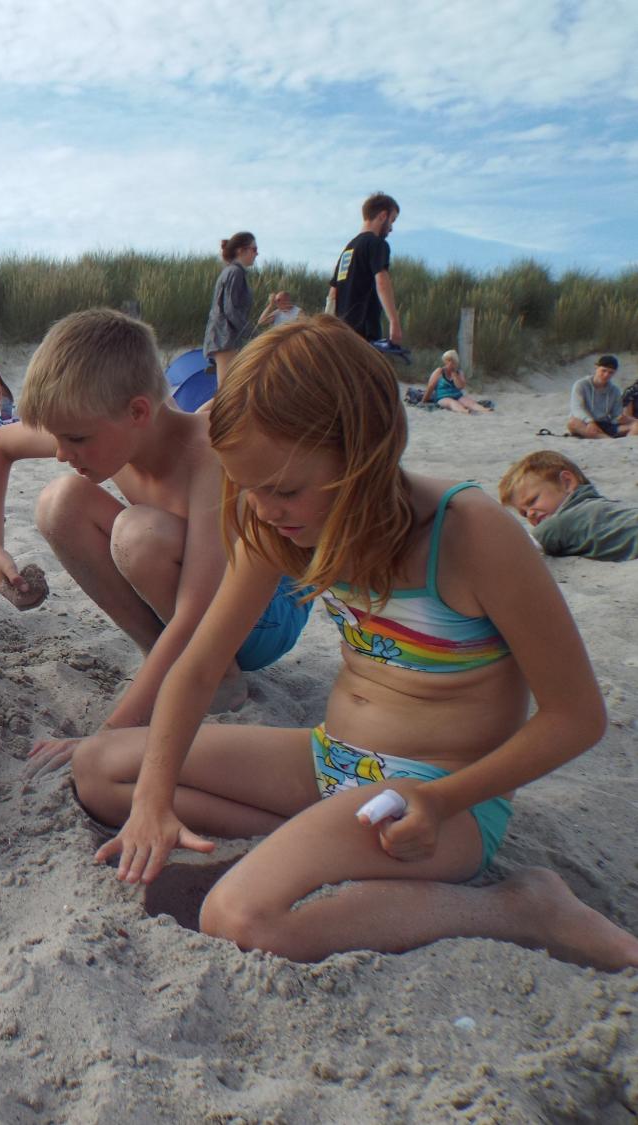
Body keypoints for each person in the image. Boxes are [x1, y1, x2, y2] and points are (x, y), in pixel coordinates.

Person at [68, 315, 638, 970]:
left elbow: (577, 717)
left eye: (283, 489)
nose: (262, 508)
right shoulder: (277, 522)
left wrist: (442, 799)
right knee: (101, 768)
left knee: (241, 916)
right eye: (245, 488)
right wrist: (152, 805)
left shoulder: (471, 535)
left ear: (364, 454)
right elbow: (198, 667)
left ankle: (520, 908)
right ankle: (317, 846)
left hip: (438, 797)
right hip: (330, 760)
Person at [0, 308, 309, 764]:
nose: (61, 453)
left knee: (139, 534)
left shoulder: (207, 452)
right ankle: (165, 660)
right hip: (190, 603)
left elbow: (195, 610)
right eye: (57, 438)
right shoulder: (104, 426)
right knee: (59, 502)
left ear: (138, 411)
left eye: (74, 440)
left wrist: (109, 735)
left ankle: (218, 677)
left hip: (261, 615)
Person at [499, 450, 638, 562]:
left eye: (532, 501)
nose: (530, 514)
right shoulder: (598, 508)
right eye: (524, 513)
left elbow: (517, 552)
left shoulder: (561, 522)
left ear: (567, 482)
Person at [328, 192, 402, 345]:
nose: (391, 228)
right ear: (383, 216)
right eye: (392, 220)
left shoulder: (348, 250)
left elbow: (333, 293)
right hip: (363, 333)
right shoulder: (377, 244)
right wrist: (394, 322)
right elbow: (381, 281)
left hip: (340, 333)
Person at [202, 232, 258, 388]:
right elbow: (230, 309)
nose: (257, 254)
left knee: (228, 389)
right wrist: (252, 333)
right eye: (254, 249)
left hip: (226, 337)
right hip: (224, 337)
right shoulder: (235, 272)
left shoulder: (233, 271)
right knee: (227, 390)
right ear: (241, 250)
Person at [567, 355, 635, 438]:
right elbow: (577, 408)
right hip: (585, 422)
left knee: (636, 426)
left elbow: (616, 415)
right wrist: (590, 421)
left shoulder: (615, 390)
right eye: (603, 370)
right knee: (572, 422)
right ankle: (606, 439)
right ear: (596, 367)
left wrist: (622, 418)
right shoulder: (581, 385)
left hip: (605, 424)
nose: (606, 375)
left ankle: (619, 441)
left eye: (611, 372)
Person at [424, 350, 492, 413]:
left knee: (469, 402)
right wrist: (424, 400)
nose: (450, 363)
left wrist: (454, 375)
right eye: (448, 361)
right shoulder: (439, 371)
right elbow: (431, 386)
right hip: (443, 397)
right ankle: (465, 411)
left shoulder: (459, 372)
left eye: (452, 361)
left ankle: (485, 410)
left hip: (457, 396)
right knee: (452, 403)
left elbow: (460, 386)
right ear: (445, 361)